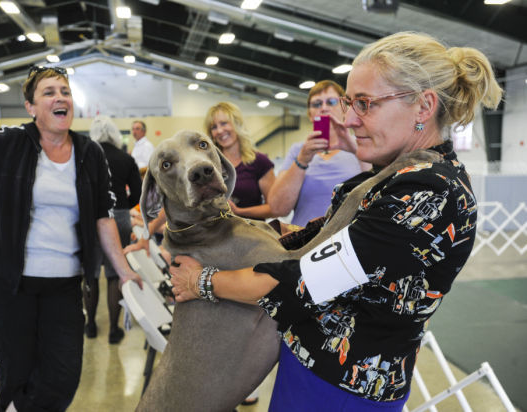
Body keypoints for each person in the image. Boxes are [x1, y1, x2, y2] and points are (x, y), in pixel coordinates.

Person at [169, 31, 502, 411]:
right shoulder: (398, 173)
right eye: (349, 103)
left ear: (423, 106)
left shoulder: (428, 190)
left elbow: (302, 282)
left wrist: (200, 282)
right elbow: (318, 235)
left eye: (364, 103)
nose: (348, 119)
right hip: (318, 372)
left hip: (341, 390)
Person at [0, 66, 142, 411]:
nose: (60, 98)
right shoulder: (8, 143)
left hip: (65, 284)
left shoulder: (90, 154)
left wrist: (124, 270)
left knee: (64, 374)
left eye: (65, 91)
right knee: (18, 370)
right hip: (9, 283)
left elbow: (102, 215)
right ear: (31, 107)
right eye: (49, 92)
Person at [268, 80, 366, 227]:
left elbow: (377, 189)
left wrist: (355, 150)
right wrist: (302, 160)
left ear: (344, 108)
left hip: (347, 238)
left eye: (331, 102)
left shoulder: (361, 144)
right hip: (305, 239)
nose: (324, 108)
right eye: (317, 104)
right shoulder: (298, 151)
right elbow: (277, 208)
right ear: (310, 114)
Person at [83, 115, 142, 344]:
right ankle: (114, 329)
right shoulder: (126, 159)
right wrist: (123, 202)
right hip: (119, 215)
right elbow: (137, 194)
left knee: (91, 273)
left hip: (89, 216)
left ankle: (90, 324)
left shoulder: (84, 156)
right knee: (115, 273)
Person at [204, 101, 277, 220]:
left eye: (224, 123)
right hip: (218, 234)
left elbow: (274, 209)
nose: (220, 131)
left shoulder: (260, 162)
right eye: (214, 127)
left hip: (252, 232)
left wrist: (239, 211)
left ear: (237, 124)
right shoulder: (208, 165)